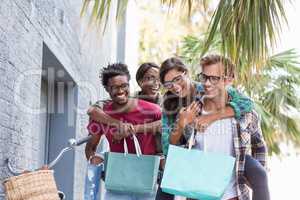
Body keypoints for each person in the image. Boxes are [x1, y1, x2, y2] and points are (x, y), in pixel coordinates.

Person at [160, 56, 269, 200]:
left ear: (186, 73)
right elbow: (172, 148)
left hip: (230, 184)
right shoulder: (174, 107)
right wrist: (181, 123)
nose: (207, 83)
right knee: (164, 188)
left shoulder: (208, 92)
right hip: (198, 178)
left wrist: (212, 117)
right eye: (168, 84)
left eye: (177, 79)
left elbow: (247, 104)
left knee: (259, 173)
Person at [85, 63, 161, 200]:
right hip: (117, 187)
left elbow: (166, 125)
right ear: (107, 89)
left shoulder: (152, 110)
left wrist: (132, 129)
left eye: (124, 86)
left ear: (129, 85)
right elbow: (90, 147)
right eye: (115, 87)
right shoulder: (103, 114)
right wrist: (93, 160)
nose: (120, 91)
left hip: (146, 185)